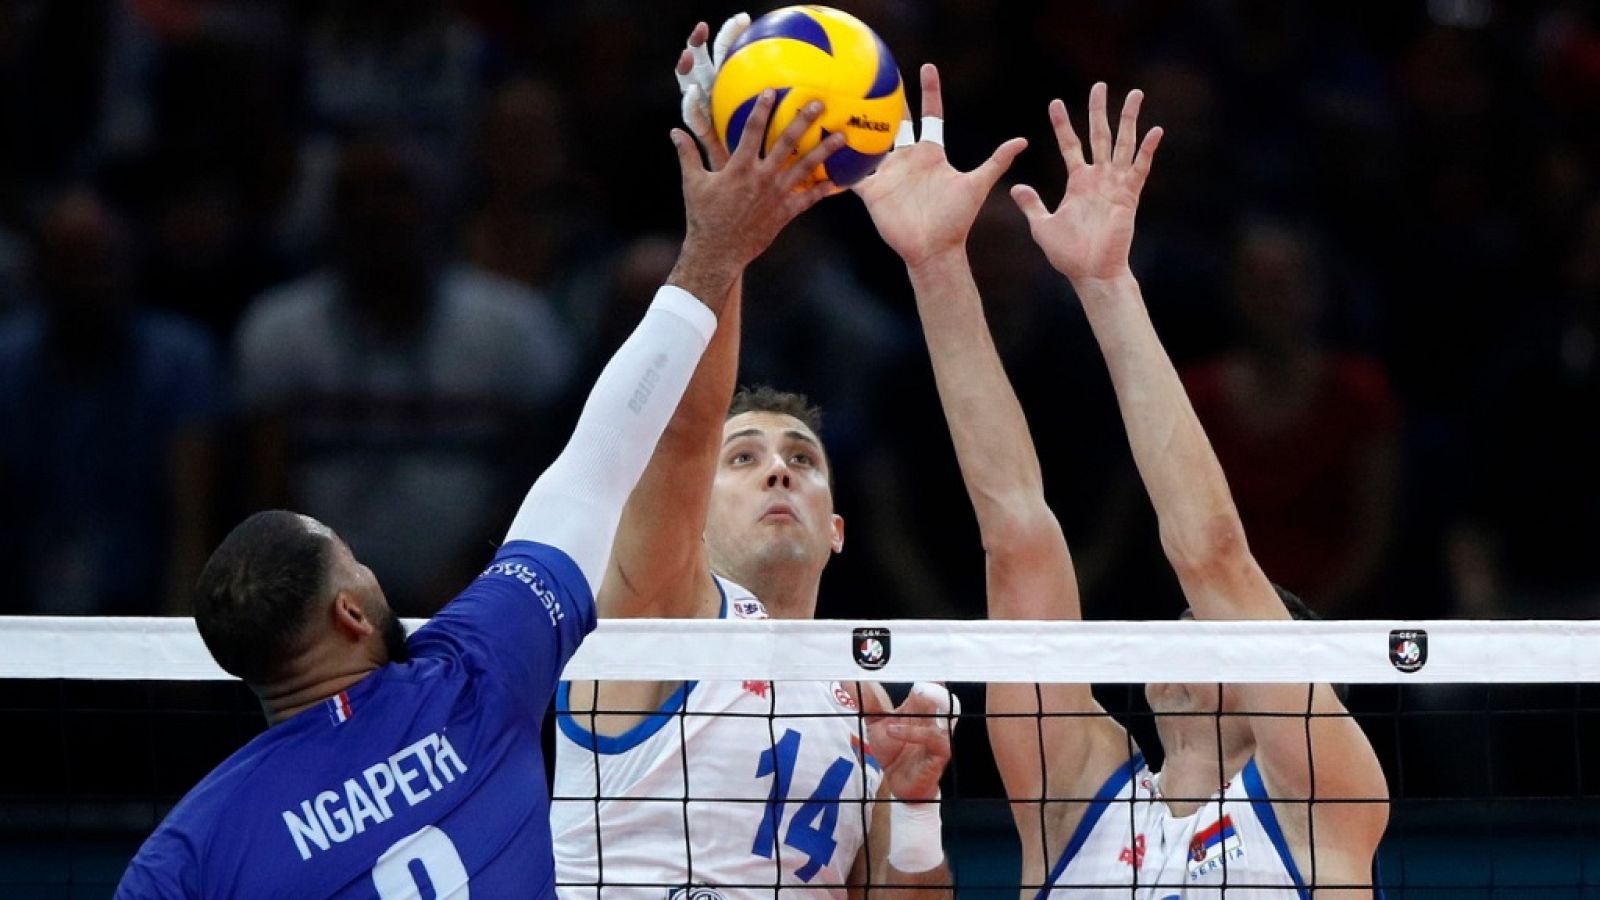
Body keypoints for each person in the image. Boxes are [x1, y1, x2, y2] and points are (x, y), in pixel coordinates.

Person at [114, 90, 842, 899]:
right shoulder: (471, 679)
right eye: (355, 563)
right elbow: (604, 457)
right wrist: (714, 246)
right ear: (351, 614)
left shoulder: (187, 852)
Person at [916, 82, 1389, 893]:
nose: (1183, 629)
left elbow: (1214, 558)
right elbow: (1017, 535)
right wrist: (934, 262)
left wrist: (1108, 286)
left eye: (1208, 630)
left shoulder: (1323, 802)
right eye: (1185, 625)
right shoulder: (1078, 801)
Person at [551, 21, 964, 898]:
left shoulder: (865, 701)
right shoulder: (654, 610)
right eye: (744, 459)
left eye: (803, 460)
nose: (780, 471)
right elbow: (682, 433)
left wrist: (917, 803)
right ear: (689, 514)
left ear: (839, 530)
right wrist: (725, 236)